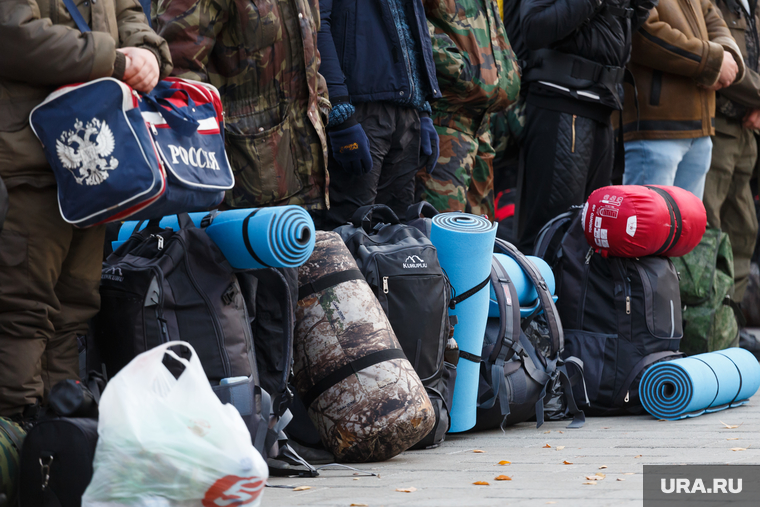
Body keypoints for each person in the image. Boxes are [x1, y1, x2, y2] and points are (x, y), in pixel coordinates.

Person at [0, 0, 172, 420]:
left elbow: (129, 10)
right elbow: (13, 33)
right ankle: (17, 442)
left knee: (74, 309)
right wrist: (113, 61)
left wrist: (146, 52)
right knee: (23, 309)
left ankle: (58, 443)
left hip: (94, 168)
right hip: (27, 163)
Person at [154, 0, 330, 212]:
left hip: (306, 169)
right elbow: (178, 75)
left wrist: (321, 104)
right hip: (240, 184)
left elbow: (308, 49)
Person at [511, 0, 656, 253]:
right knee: (552, 233)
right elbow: (534, 28)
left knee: (588, 236)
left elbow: (611, 32)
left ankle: (571, 293)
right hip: (562, 101)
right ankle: (538, 293)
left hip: (602, 105)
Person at [317, 0, 441, 229]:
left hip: (406, 113)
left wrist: (423, 108)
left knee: (396, 235)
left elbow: (412, 28)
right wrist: (339, 111)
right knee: (349, 230)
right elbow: (316, 26)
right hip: (360, 113)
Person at [621, 0, 745, 200]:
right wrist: (710, 63)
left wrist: (723, 59)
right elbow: (643, 33)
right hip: (655, 129)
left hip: (700, 130)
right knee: (648, 226)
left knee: (687, 228)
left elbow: (715, 20)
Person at [415, 0, 521, 219]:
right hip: (444, 121)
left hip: (481, 125)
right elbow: (410, 22)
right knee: (439, 237)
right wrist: (464, 74)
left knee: (477, 241)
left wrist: (508, 71)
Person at [705, 0, 760, 304]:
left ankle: (729, 329)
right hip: (717, 129)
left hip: (747, 130)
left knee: (743, 231)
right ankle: (703, 330)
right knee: (708, 232)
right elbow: (723, 64)